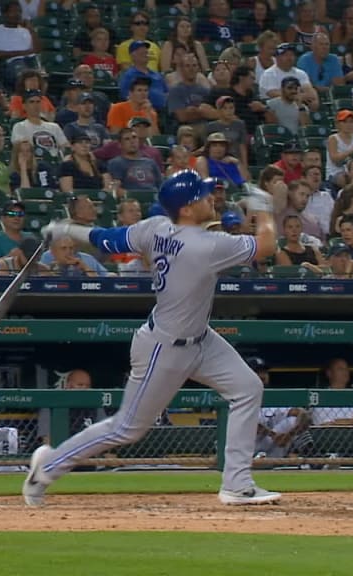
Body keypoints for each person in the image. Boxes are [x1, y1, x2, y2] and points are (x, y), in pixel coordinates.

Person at [25, 170, 279, 507]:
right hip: (165, 347)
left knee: (247, 388)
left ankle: (237, 483)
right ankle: (47, 468)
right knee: (126, 429)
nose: (211, 199)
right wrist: (264, 209)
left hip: (201, 340)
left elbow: (106, 238)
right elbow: (267, 245)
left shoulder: (156, 227)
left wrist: (65, 229)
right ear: (186, 209)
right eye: (203, 196)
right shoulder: (205, 245)